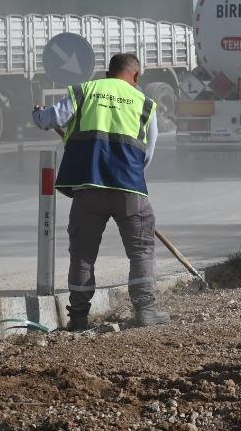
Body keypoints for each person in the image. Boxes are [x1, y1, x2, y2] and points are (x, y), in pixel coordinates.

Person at [33, 53, 166, 330]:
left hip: (89, 188)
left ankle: (79, 318)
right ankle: (146, 310)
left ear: (108, 73)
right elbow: (147, 153)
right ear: (137, 76)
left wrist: (38, 114)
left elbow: (51, 118)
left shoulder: (86, 91)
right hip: (129, 188)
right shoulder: (145, 103)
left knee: (83, 254)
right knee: (141, 251)